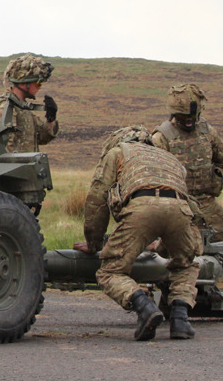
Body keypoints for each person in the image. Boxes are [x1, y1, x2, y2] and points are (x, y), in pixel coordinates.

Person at [78, 125, 200, 341]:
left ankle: (144, 306)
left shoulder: (118, 153)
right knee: (185, 265)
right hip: (180, 209)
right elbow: (183, 205)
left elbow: (97, 199)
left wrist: (94, 242)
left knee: (110, 272)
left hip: (141, 207)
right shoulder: (169, 158)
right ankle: (180, 319)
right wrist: (162, 245)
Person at [151, 84, 223, 291]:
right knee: (167, 253)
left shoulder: (208, 133)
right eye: (184, 118)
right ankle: (160, 288)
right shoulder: (161, 138)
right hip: (178, 207)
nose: (189, 121)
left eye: (193, 117)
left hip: (208, 205)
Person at [0, 54, 58, 153]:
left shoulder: (22, 107)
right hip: (14, 163)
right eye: (38, 83)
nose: (40, 87)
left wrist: (51, 118)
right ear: (24, 83)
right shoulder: (5, 108)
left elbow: (43, 138)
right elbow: (2, 150)